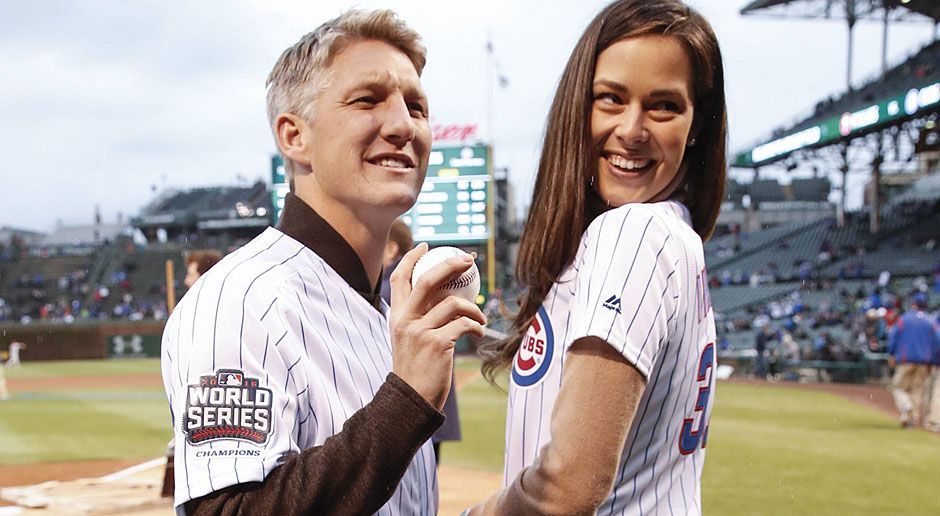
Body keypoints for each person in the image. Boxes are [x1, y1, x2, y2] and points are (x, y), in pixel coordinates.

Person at [160, 9, 486, 515]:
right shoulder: (242, 300)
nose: (404, 125)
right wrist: (405, 402)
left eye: (416, 107)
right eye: (367, 100)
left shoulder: (383, 311)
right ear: (294, 137)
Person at [473, 1, 726, 513]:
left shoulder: (631, 233)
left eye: (664, 106)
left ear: (696, 125)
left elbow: (567, 487)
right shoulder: (674, 236)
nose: (632, 129)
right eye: (610, 98)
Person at [381, 219, 462, 464]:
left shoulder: (391, 289)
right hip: (436, 406)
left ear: (392, 249)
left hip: (406, 409)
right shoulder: (426, 284)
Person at [887, 293, 940, 428]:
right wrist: (933, 361)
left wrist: (891, 353)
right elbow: (937, 341)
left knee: (897, 387)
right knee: (916, 390)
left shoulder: (904, 319)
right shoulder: (931, 321)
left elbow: (893, 337)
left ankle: (906, 406)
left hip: (906, 360)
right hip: (924, 362)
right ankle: (913, 419)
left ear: (913, 304)